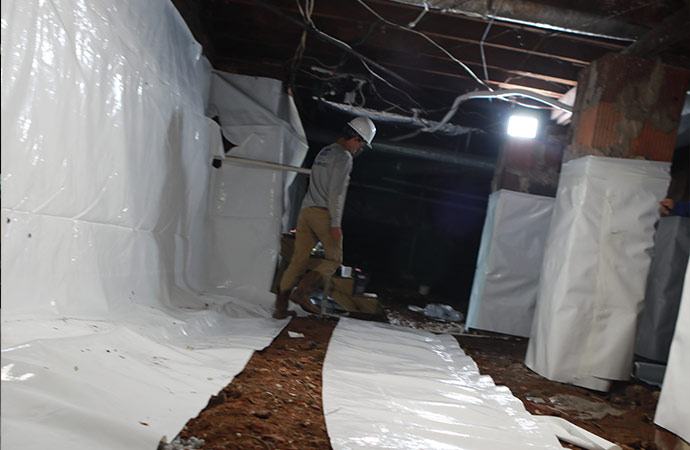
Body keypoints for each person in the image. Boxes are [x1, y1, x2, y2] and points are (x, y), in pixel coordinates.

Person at [273, 116, 376, 319]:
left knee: (297, 261)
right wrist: (336, 224)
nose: (360, 149)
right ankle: (302, 292)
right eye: (362, 144)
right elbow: (336, 194)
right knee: (334, 259)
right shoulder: (344, 157)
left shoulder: (325, 151)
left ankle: (280, 307)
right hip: (323, 213)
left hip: (306, 210)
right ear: (355, 138)